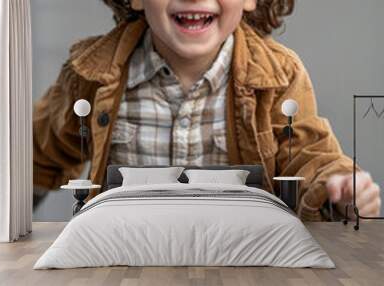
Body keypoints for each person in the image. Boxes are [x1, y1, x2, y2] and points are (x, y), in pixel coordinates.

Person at [33, 0, 381, 221]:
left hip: (242, 258)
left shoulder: (279, 75)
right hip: (123, 258)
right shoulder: (91, 74)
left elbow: (308, 154)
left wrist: (338, 188)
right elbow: (35, 152)